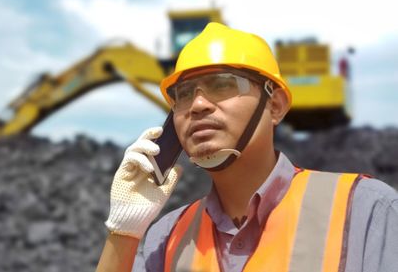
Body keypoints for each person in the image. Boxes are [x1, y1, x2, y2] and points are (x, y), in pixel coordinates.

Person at [96, 23, 398, 272]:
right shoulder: (165, 237)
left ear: (275, 105)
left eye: (223, 84)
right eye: (184, 94)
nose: (198, 104)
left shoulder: (363, 211)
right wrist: (124, 232)